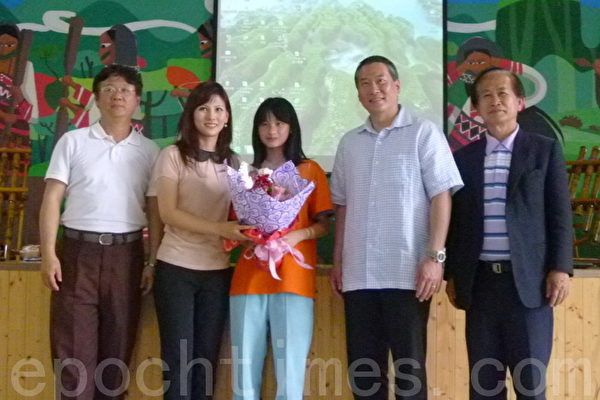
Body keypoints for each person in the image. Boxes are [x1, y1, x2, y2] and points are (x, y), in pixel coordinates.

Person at [329, 55, 463, 400]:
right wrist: (339, 261)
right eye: (364, 83)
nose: (373, 89)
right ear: (358, 93)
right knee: (364, 375)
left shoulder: (423, 132)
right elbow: (342, 206)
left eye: (381, 81)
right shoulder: (349, 143)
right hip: (358, 276)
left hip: (407, 274)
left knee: (409, 374)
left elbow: (442, 195)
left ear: (397, 86)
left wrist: (435, 256)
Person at [445, 68, 572, 400]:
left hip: (529, 284)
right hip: (481, 285)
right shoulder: (462, 158)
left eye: (503, 93)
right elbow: (457, 222)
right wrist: (453, 274)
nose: (495, 101)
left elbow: (559, 213)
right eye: (486, 95)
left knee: (530, 385)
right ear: (476, 108)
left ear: (520, 102)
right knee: (484, 386)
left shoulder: (544, 150)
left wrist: (560, 268)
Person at [39, 64, 160, 399]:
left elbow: (155, 212)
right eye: (108, 89)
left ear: (137, 100)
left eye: (125, 90)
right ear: (96, 97)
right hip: (77, 254)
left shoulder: (150, 151)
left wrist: (151, 262)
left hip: (127, 257)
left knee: (116, 357)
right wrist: (48, 254)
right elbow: (52, 199)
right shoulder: (72, 141)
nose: (116, 96)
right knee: (72, 358)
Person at [150, 81, 250, 400]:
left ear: (227, 118)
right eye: (204, 108)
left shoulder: (236, 164)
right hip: (176, 269)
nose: (211, 116)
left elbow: (245, 214)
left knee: (206, 365)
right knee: (178, 363)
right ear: (191, 114)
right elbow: (168, 212)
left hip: (218, 273)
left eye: (219, 109)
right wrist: (220, 229)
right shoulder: (172, 155)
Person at [229, 97, 333, 399]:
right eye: (264, 123)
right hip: (248, 279)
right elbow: (235, 224)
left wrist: (297, 236)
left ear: (291, 127)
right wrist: (252, 234)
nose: (271, 130)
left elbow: (323, 225)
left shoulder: (310, 170)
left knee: (290, 376)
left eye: (279, 123)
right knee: (243, 376)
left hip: (293, 281)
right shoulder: (246, 174)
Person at [0, 22, 38, 148]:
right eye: (0, 44)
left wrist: (19, 96)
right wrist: (3, 115)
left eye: (10, 44)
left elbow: (32, 112)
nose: (4, 48)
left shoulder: (25, 66)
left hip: (16, 131)